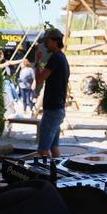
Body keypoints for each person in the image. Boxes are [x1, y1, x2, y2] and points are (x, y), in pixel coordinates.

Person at [34, 28, 69, 158]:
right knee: (54, 148)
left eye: (47, 41)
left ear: (55, 41)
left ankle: (48, 176)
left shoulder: (55, 58)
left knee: (43, 150)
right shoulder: (62, 58)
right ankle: (58, 176)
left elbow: (39, 79)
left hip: (52, 110)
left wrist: (37, 62)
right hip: (58, 108)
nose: (45, 44)